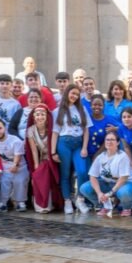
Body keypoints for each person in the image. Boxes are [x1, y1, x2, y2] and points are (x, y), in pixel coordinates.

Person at [79, 131, 132, 217]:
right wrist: (99, 193)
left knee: (123, 193)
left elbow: (123, 178)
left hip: (127, 183)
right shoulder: (100, 157)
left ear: (118, 142)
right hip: (109, 183)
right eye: (107, 140)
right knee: (84, 188)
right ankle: (105, 205)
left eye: (112, 140)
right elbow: (92, 176)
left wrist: (110, 193)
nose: (109, 142)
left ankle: (126, 207)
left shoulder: (122, 156)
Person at [52, 83, 91, 214]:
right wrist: (53, 152)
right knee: (65, 173)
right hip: (64, 143)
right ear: (67, 93)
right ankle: (67, 201)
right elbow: (55, 133)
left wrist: (84, 147)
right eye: (72, 93)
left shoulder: (81, 109)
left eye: (77, 94)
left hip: (78, 143)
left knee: (82, 171)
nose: (74, 96)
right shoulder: (57, 111)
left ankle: (80, 199)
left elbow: (86, 130)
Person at [24, 105, 63, 213]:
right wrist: (36, 165)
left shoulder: (51, 129)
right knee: (39, 175)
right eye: (37, 114)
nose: (40, 117)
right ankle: (42, 205)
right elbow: (33, 150)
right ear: (33, 117)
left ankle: (52, 204)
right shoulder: (31, 130)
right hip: (41, 159)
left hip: (53, 158)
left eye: (42, 114)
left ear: (47, 116)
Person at [0, 118, 29, 212]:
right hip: (3, 168)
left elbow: (17, 155)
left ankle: (20, 202)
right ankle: (3, 203)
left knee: (20, 181)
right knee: (3, 182)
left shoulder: (15, 140)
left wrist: (15, 165)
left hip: (19, 166)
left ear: (5, 128)